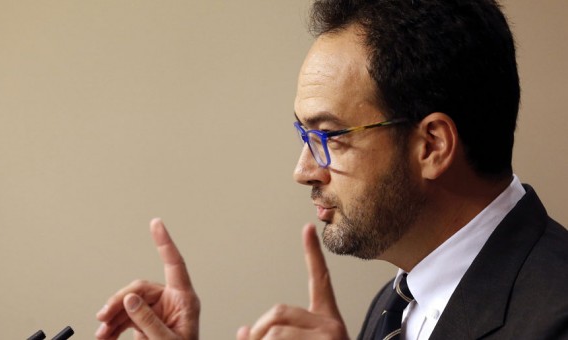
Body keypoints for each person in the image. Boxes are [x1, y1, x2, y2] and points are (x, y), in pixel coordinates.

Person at [95, 0, 568, 339]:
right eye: (304, 136)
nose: (303, 171)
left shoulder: (556, 314)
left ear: (431, 145)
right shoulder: (394, 304)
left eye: (330, 136)